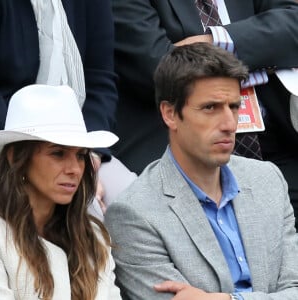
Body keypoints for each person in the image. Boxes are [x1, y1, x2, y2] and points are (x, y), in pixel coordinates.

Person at [105, 43, 298, 300]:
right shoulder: (133, 213)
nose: (230, 124)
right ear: (170, 114)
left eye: (233, 106)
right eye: (210, 108)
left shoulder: (268, 180)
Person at [110, 0, 298, 228]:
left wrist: (215, 40)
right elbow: (159, 67)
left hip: (277, 148)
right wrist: (259, 58)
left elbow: (293, 22)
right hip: (184, 157)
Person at [0, 0, 136, 216]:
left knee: (132, 204)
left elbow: (100, 79)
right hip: (12, 142)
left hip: (80, 141)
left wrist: (88, 158)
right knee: (87, 210)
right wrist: (27, 151)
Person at [0, 84, 122, 299]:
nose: (74, 169)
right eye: (58, 153)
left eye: (81, 155)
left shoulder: (93, 236)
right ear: (15, 156)